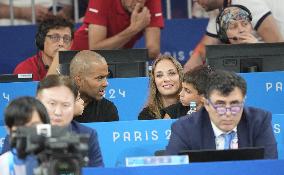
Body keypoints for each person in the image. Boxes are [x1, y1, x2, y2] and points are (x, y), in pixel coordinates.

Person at [165, 70, 278, 159]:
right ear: (207, 104)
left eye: (234, 104)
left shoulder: (259, 121)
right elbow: (173, 171)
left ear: (244, 101)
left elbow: (268, 167)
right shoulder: (184, 128)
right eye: (220, 105)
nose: (228, 113)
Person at [1, 75, 104, 167]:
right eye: (52, 104)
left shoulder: (87, 135)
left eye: (65, 105)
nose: (58, 112)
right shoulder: (20, 135)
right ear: (37, 102)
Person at [183, 0, 284, 71]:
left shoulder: (247, 2)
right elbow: (201, 52)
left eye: (244, 23)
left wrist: (256, 47)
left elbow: (279, 51)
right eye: (232, 26)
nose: (195, 1)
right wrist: (182, 78)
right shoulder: (221, 9)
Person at [71, 0, 164, 59]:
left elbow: (153, 51)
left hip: (117, 60)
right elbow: (96, 49)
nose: (137, 3)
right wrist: (134, 29)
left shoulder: (151, 1)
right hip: (82, 55)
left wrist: (124, 58)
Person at [13, 15, 74, 81]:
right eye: (55, 37)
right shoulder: (25, 69)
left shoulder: (76, 67)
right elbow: (47, 91)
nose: (61, 43)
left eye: (66, 39)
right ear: (41, 40)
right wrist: (57, 61)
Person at [0, 96, 50, 175]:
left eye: (34, 126)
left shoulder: (60, 159)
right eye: (21, 127)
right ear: (8, 130)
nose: (28, 133)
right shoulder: (3, 164)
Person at [70, 50, 119, 122]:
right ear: (79, 80)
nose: (106, 84)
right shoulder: (55, 106)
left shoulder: (107, 109)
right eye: (99, 78)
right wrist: (69, 114)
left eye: (106, 77)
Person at [138, 55, 183, 120]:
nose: (166, 79)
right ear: (154, 82)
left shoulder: (192, 109)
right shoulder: (146, 115)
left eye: (172, 73)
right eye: (159, 75)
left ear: (180, 77)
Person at [0, 0, 73, 26]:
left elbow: (67, 9)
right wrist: (22, 12)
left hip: (52, 31)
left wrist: (58, 14)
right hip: (9, 32)